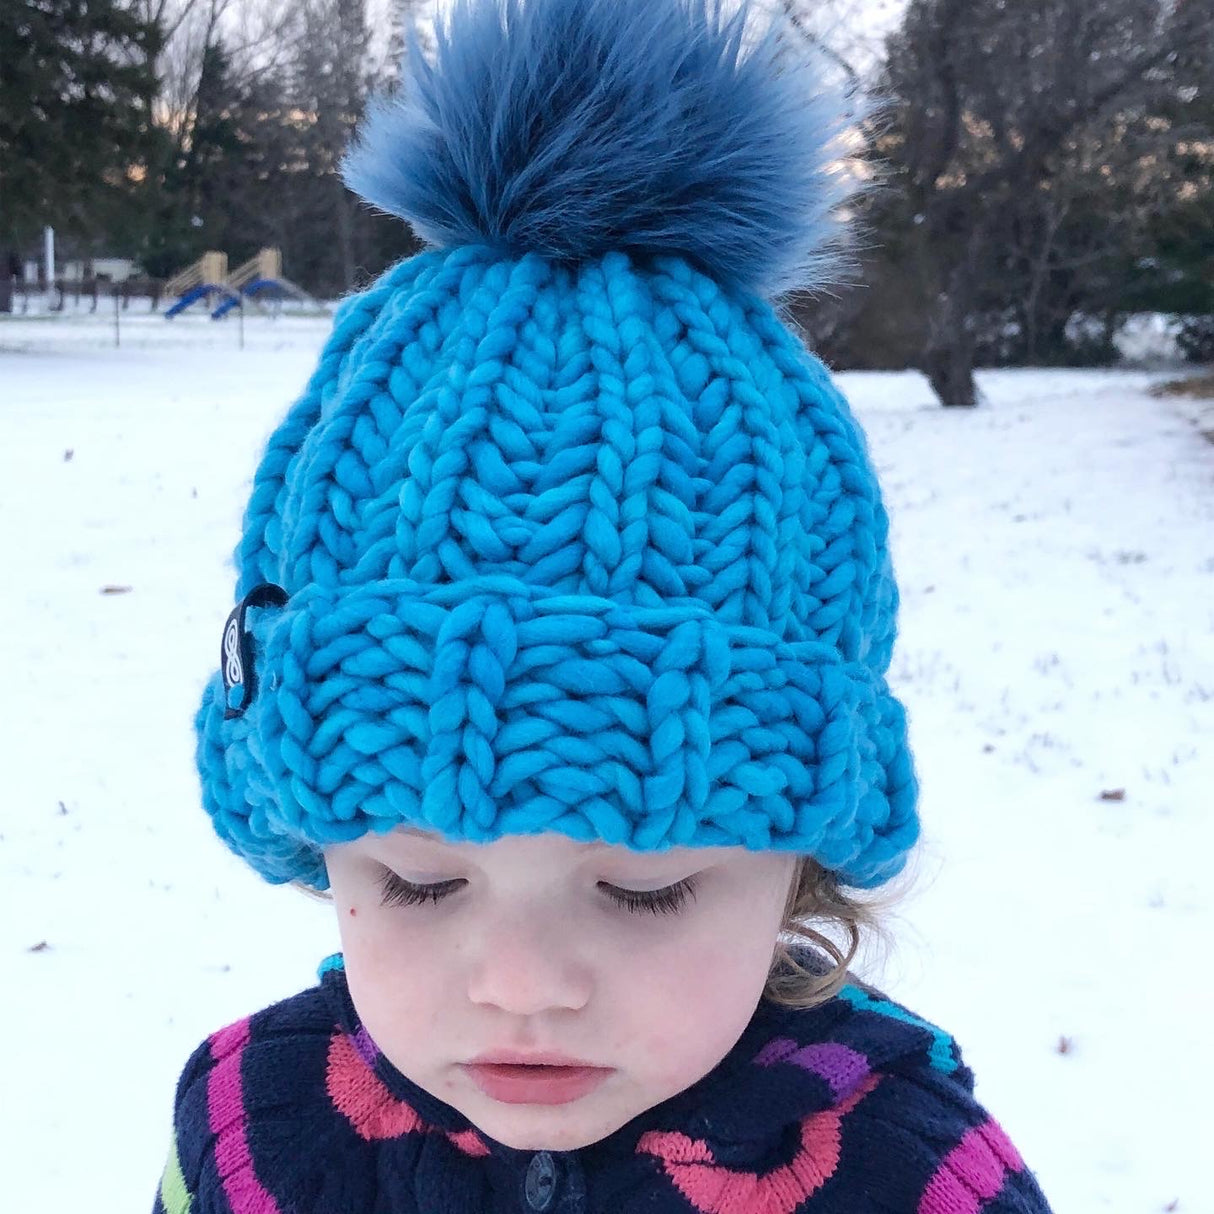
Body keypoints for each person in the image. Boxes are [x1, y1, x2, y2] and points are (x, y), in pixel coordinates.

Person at [152, 0, 1054, 1210]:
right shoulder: (255, 1133)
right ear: (317, 846)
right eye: (418, 881)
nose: (521, 982)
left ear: (797, 868)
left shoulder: (899, 1177)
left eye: (645, 888)